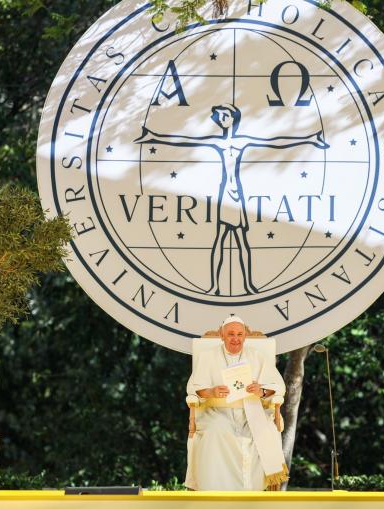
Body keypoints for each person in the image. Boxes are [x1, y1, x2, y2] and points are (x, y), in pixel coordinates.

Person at [135, 104, 329, 295]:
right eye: (219, 116)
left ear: (233, 118)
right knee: (219, 241)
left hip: (237, 195)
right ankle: (215, 286)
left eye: (224, 115)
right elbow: (186, 140)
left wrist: (309, 138)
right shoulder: (217, 141)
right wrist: (155, 137)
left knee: (241, 242)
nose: (221, 119)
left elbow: (275, 141)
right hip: (224, 195)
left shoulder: (241, 141)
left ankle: (248, 285)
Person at [185, 315, 287, 490]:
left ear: (245, 336)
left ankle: (250, 493)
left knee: (263, 433)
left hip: (252, 413)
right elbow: (195, 388)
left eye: (240, 334)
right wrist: (211, 391)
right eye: (231, 334)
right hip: (218, 412)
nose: (235, 339)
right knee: (215, 431)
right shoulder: (208, 356)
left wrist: (261, 390)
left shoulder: (258, 356)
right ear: (222, 335)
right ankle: (214, 491)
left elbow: (277, 387)